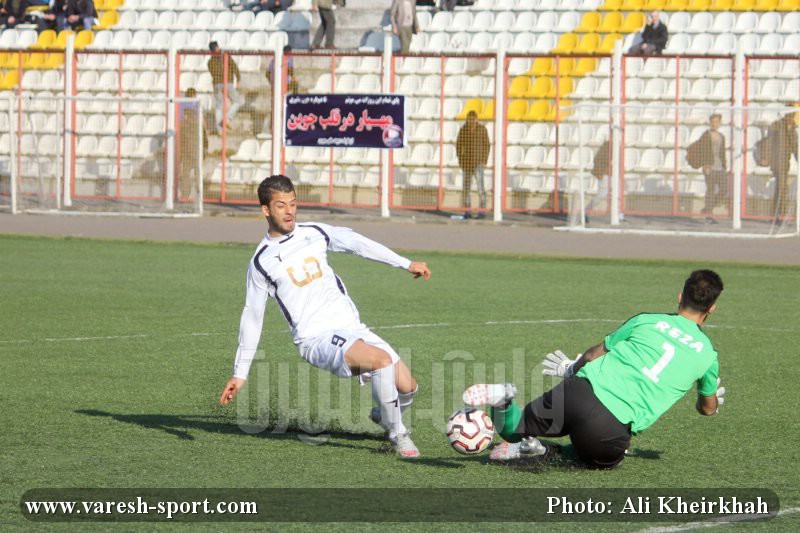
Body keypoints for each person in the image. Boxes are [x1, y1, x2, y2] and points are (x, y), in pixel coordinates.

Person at [218, 175, 432, 458]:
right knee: (380, 362)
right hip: (315, 338)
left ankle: (384, 415)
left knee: (408, 387)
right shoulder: (261, 262)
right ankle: (398, 433)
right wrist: (240, 372)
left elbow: (357, 243)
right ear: (266, 210)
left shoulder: (314, 232)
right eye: (281, 205)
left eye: (293, 204)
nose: (290, 211)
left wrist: (405, 263)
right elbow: (253, 316)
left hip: (352, 328)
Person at [464, 269, 726, 469]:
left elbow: (593, 354)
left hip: (579, 390)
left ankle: (503, 401)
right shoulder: (707, 355)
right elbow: (707, 408)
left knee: (514, 429)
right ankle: (542, 451)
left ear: (680, 297)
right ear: (712, 308)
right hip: (609, 424)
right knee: (604, 461)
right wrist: (712, 402)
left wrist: (571, 368)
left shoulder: (647, 320)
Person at [688, 114, 728, 221]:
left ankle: (707, 208)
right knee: (710, 190)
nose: (714, 124)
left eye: (717, 122)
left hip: (720, 167)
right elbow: (702, 150)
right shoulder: (705, 135)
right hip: (709, 167)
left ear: (720, 123)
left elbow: (722, 153)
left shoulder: (722, 136)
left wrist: (725, 165)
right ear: (710, 123)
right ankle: (709, 215)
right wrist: (705, 165)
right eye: (713, 122)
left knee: (724, 189)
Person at [456, 110, 491, 218]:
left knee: (480, 188)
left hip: (478, 162)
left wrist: (484, 160)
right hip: (467, 162)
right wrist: (461, 160)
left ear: (477, 119)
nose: (471, 121)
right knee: (466, 188)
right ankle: (467, 210)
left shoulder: (482, 130)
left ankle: (482, 211)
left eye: (473, 119)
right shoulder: (463, 130)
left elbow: (487, 145)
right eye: (469, 119)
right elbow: (458, 145)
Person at [767, 109, 799, 220]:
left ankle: (775, 215)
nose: (790, 119)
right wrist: (768, 158)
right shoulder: (776, 126)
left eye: (792, 116)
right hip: (777, 162)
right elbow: (769, 142)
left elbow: (795, 147)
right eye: (789, 116)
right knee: (783, 188)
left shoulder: (792, 130)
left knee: (780, 188)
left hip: (785, 163)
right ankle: (781, 215)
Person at [178, 88, 208, 199]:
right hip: (196, 148)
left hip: (186, 148)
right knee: (197, 172)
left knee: (185, 172)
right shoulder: (197, 106)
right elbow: (204, 127)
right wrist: (205, 146)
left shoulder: (181, 107)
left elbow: (179, 126)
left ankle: (185, 194)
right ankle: (199, 194)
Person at [207, 41, 242, 132]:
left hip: (216, 84)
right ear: (218, 47)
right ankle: (226, 119)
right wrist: (238, 79)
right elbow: (234, 67)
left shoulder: (210, 61)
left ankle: (219, 129)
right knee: (237, 101)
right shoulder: (225, 57)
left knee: (219, 106)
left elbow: (212, 72)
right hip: (227, 82)